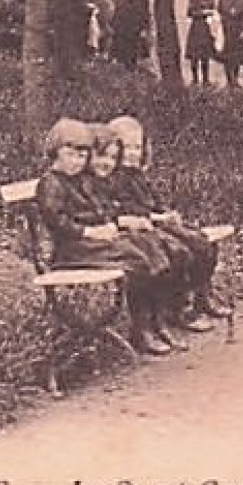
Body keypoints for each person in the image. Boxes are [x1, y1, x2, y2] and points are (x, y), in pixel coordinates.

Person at [34, 118, 176, 356]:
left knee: (146, 248)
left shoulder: (79, 181)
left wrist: (108, 225)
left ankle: (154, 320)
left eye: (81, 156)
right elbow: (57, 221)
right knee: (137, 258)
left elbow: (100, 208)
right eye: (70, 154)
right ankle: (141, 329)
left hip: (91, 243)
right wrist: (89, 231)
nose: (76, 162)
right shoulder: (51, 183)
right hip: (71, 249)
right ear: (54, 153)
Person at [107, 115, 232, 331]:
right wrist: (157, 218)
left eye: (137, 147)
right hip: (140, 229)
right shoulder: (115, 178)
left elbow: (154, 202)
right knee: (178, 251)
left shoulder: (137, 176)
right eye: (126, 148)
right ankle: (177, 308)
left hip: (154, 224)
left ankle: (202, 296)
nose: (132, 154)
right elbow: (127, 210)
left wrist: (165, 213)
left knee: (202, 242)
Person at [87, 124, 183, 352]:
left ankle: (157, 321)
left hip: (112, 236)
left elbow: (111, 210)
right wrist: (120, 222)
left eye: (112, 158)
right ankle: (142, 328)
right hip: (91, 243)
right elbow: (90, 216)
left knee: (156, 252)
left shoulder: (108, 180)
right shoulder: (86, 183)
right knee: (141, 261)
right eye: (100, 156)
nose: (106, 163)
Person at [184, 0, 224, 87]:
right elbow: (190, 12)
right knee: (194, 55)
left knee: (205, 55)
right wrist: (203, 12)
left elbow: (215, 11)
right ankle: (195, 79)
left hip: (207, 27)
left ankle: (205, 79)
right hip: (197, 26)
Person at [216, 0, 243, 90]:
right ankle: (229, 81)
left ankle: (235, 80)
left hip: (238, 31)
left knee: (237, 57)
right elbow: (219, 13)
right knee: (226, 57)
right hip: (226, 31)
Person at [110, 0, 151, 71]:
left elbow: (116, 17)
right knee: (133, 52)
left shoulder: (121, 0)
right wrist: (146, 28)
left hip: (125, 31)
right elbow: (145, 16)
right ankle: (132, 68)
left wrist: (114, 28)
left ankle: (129, 68)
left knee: (127, 53)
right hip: (134, 31)